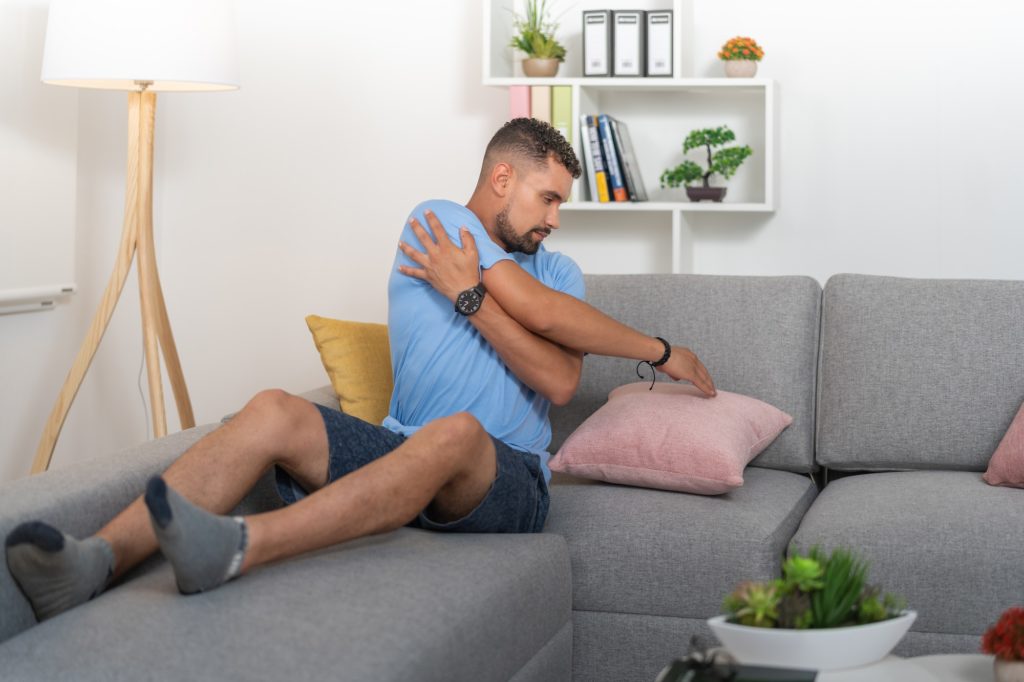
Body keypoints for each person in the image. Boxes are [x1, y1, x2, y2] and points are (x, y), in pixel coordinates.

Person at [5, 118, 716, 622]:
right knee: (271, 408)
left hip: (505, 484)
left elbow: (560, 375)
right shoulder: (436, 221)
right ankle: (93, 560)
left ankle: (241, 549)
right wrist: (652, 348)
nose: (555, 220)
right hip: (399, 452)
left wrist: (470, 296)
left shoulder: (560, 268)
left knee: (459, 433)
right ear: (503, 179)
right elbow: (537, 315)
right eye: (549, 198)